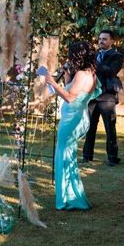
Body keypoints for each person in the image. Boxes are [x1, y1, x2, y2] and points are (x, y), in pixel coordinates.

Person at [45, 41, 101, 210]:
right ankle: (70, 193)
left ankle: (70, 198)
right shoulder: (90, 74)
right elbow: (74, 89)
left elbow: (69, 97)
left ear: (77, 56)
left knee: (64, 155)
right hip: (78, 116)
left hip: (72, 119)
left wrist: (52, 82)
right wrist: (66, 73)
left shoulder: (82, 75)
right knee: (67, 156)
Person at [83, 30, 124, 166]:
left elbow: (111, 71)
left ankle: (112, 157)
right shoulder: (94, 55)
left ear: (112, 41)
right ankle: (87, 156)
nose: (101, 41)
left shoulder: (117, 55)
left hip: (107, 96)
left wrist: (94, 64)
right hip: (92, 95)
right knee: (89, 127)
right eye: (100, 39)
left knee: (109, 128)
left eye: (104, 39)